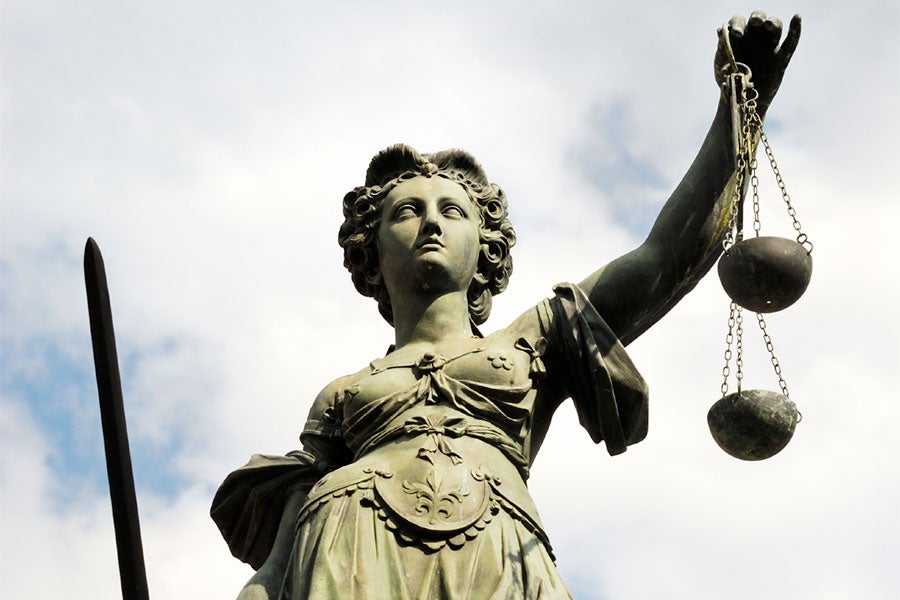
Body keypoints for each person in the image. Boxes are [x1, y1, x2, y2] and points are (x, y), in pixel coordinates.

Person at [212, 12, 801, 599]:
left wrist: (738, 115)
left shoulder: (536, 340)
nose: (431, 223)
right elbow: (275, 565)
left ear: (484, 245)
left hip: (494, 554)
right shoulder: (340, 393)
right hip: (347, 552)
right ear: (372, 250)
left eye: (452, 210)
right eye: (407, 211)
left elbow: (664, 260)